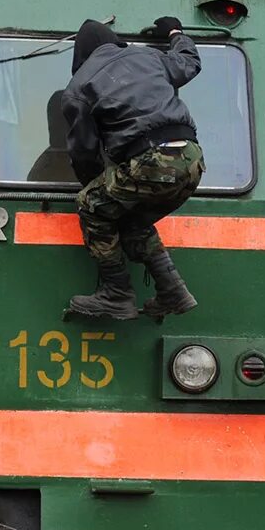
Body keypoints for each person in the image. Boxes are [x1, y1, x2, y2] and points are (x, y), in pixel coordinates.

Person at [61, 16, 207, 319]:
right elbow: (189, 62)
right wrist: (175, 33)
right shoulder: (148, 57)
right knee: (131, 221)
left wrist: (96, 185)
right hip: (192, 160)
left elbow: (85, 153)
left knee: (91, 204)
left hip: (151, 161)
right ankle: (173, 291)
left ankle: (116, 293)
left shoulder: (79, 86)